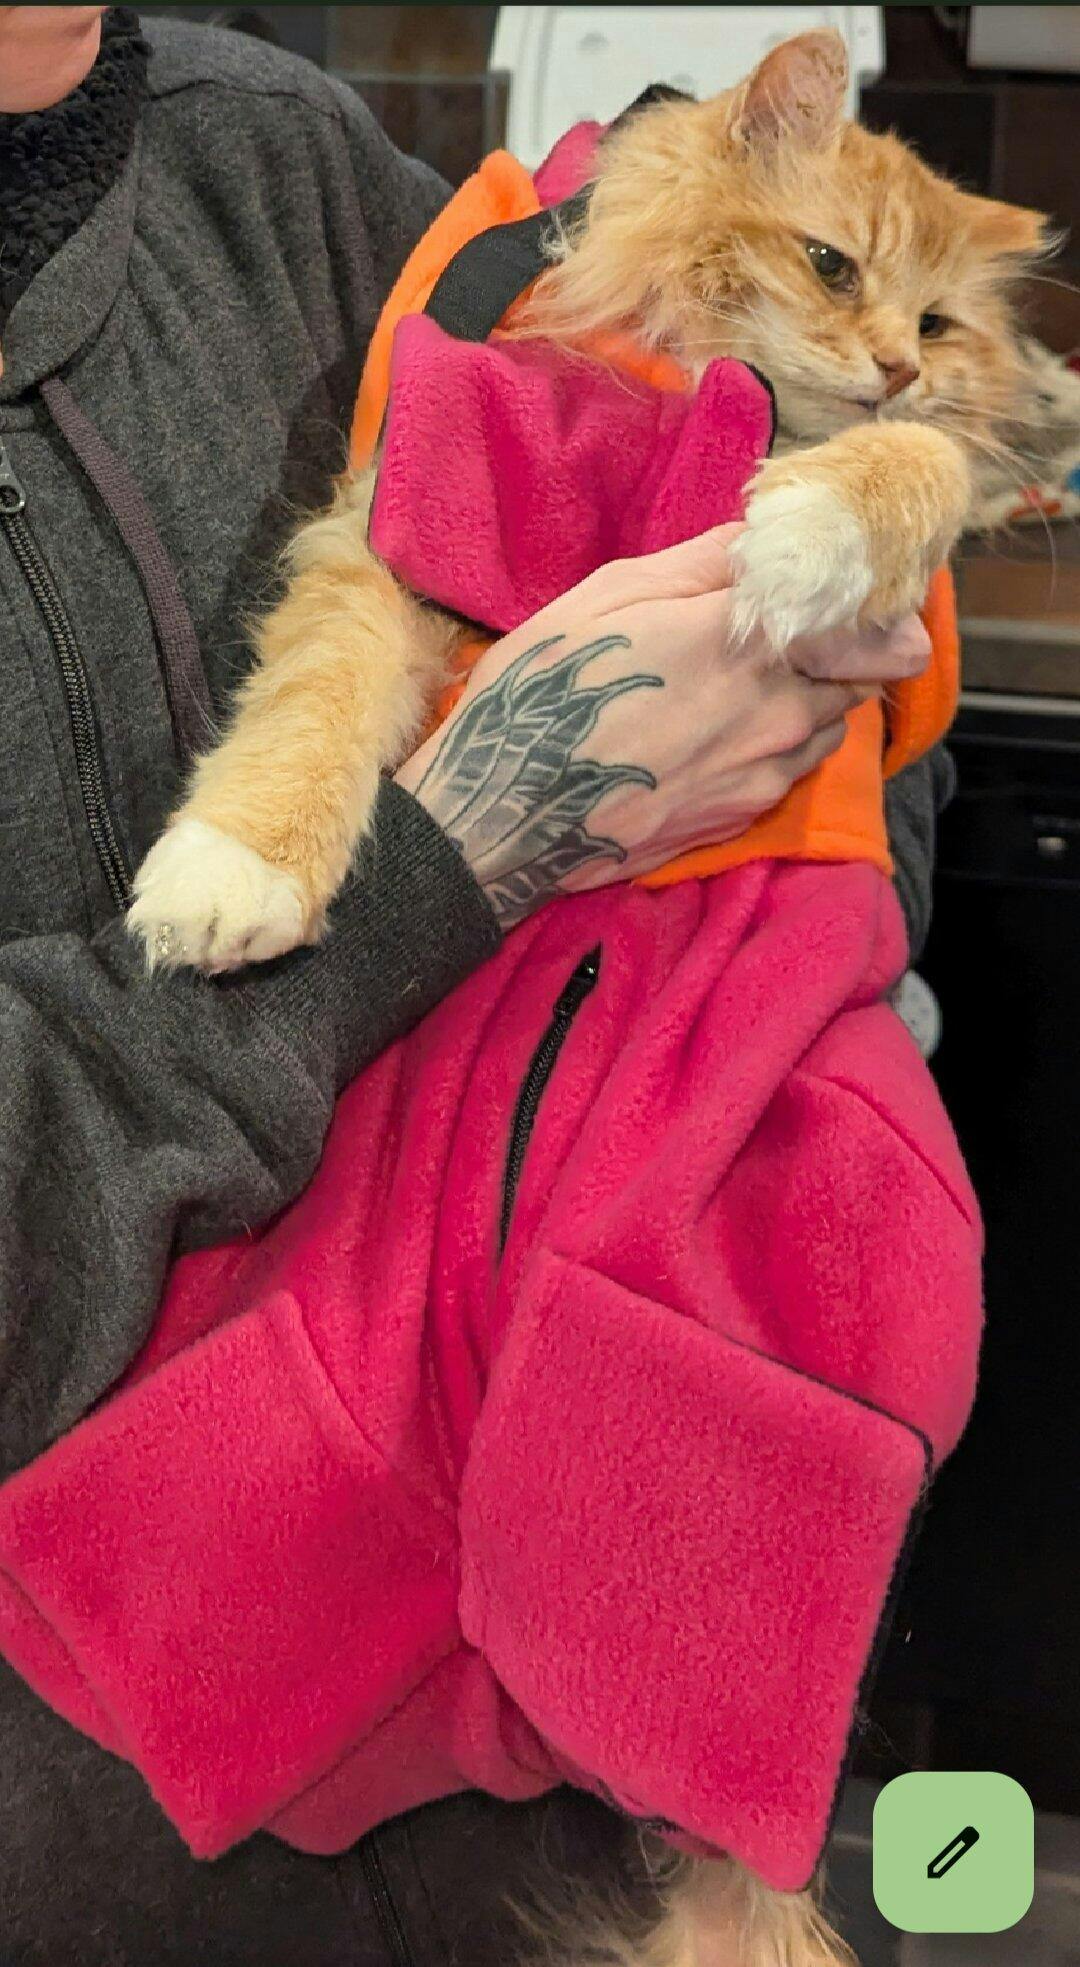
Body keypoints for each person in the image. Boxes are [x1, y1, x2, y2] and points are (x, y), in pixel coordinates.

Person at [0, 9, 950, 1962]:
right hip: (106, 1814)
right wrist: (459, 856)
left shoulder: (291, 164)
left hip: (559, 1821)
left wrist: (776, 929)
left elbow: (792, 579)